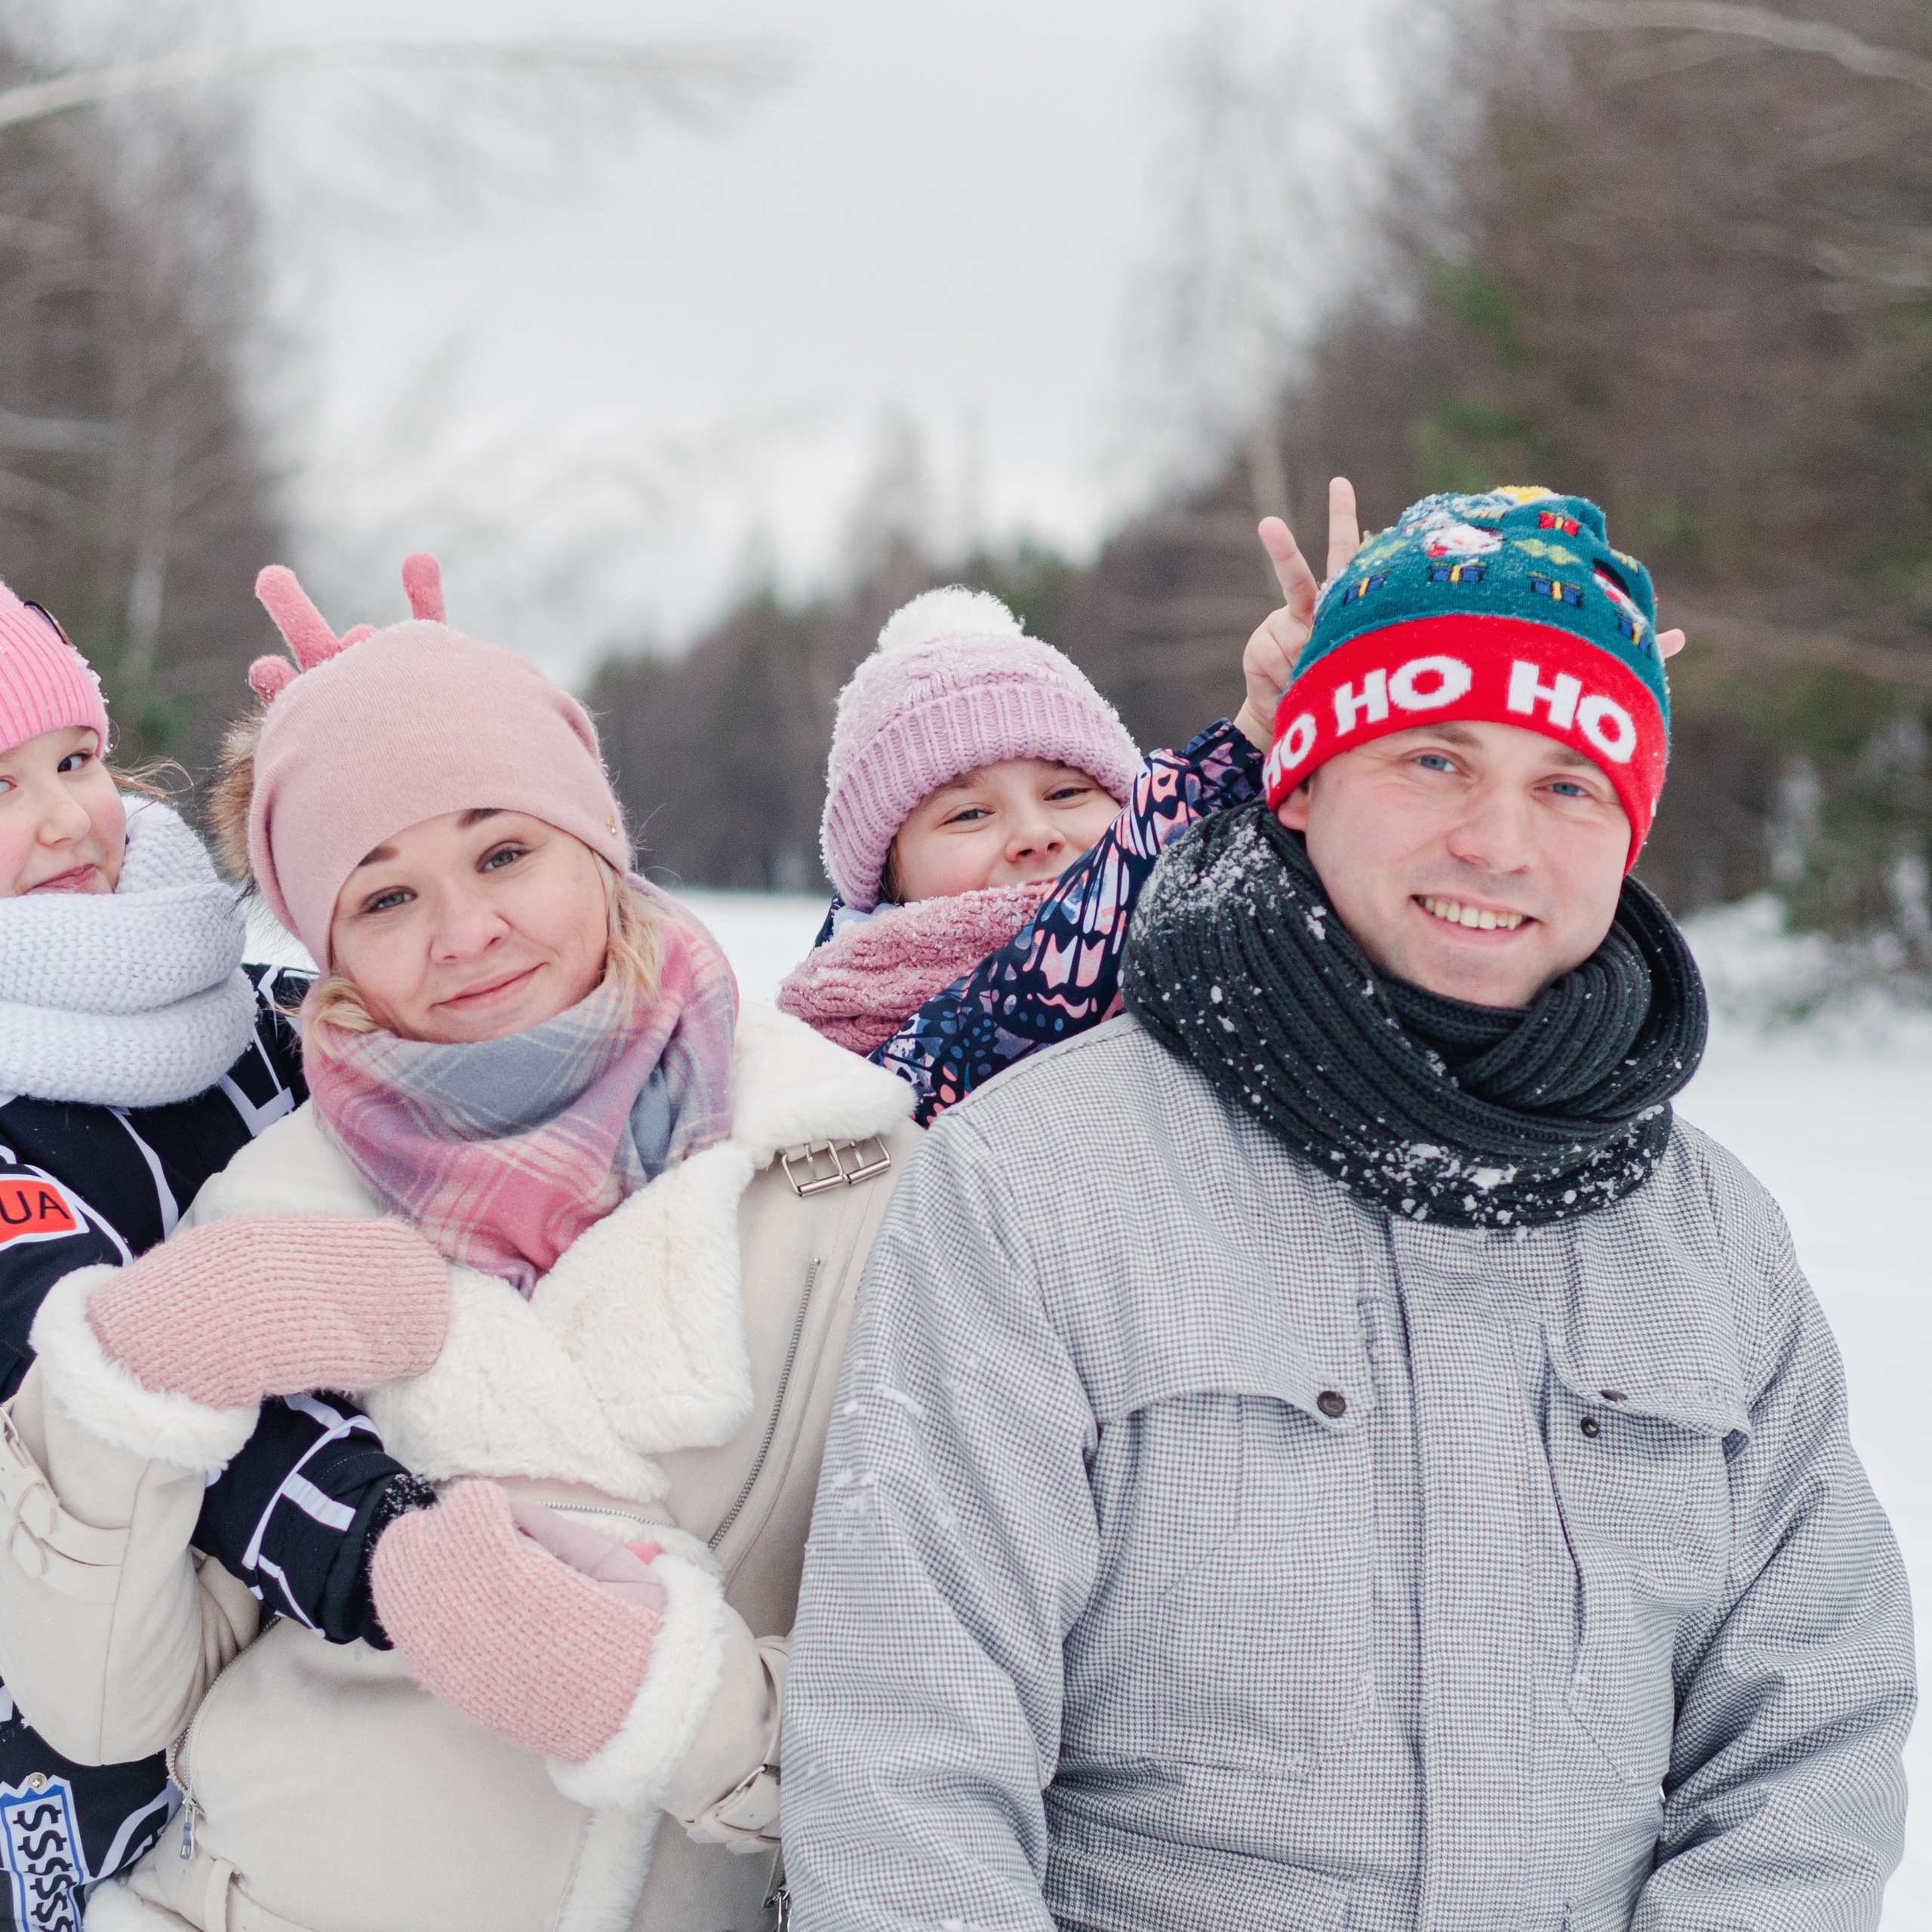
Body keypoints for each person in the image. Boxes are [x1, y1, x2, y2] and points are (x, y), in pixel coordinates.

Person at [781, 488, 1915, 1929]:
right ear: (1302, 781)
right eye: (1435, 758)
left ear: (1631, 830)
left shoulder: (1714, 1242)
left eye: (1570, 783)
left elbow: (1807, 1744)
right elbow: (904, 1771)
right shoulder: (1035, 1184)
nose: (1498, 841)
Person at [0, 556, 917, 1932]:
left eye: (502, 853)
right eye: (383, 897)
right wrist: (136, 1378)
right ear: (332, 944)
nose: (467, 933)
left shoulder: (851, 1172)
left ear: (594, 840)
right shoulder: (274, 1194)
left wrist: (677, 1706)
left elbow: (980, 1695)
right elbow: (105, 1701)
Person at [0, 580, 457, 1929]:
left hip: (341, 1724)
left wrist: (406, 797)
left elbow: (511, 1058)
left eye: (76, 760)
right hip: (92, 1741)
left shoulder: (251, 1019)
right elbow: (120, 1381)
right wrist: (386, 1546)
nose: (63, 819)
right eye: (0, 787)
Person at [776, 484, 1364, 1121]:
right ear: (884, 883)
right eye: (969, 814)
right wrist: (1243, 744)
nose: (1036, 832)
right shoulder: (849, 1062)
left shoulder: (1227, 963)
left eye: (1067, 792)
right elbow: (1035, 991)